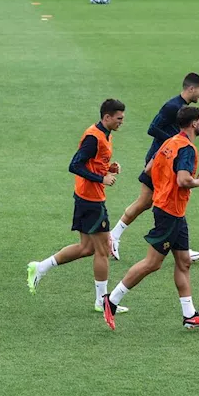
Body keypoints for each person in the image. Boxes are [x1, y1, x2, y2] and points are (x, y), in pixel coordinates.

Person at [101, 107, 199, 330]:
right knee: (152, 264)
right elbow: (183, 180)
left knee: (183, 262)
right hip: (170, 212)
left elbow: (149, 169)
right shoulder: (186, 149)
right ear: (193, 123)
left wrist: (163, 186)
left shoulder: (170, 142)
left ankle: (189, 315)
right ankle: (111, 301)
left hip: (172, 211)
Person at [27, 99, 129, 315]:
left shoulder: (105, 134)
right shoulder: (94, 137)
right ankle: (102, 302)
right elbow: (74, 165)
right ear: (107, 117)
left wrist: (107, 168)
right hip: (91, 200)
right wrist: (101, 179)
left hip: (86, 197)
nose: (122, 122)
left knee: (86, 248)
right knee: (103, 251)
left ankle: (40, 267)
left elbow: (92, 162)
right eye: (119, 118)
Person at [110, 73, 199, 263]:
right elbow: (152, 128)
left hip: (165, 158)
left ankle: (114, 235)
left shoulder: (182, 108)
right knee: (164, 198)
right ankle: (114, 236)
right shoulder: (173, 106)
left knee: (148, 201)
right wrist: (173, 142)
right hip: (161, 160)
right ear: (191, 89)